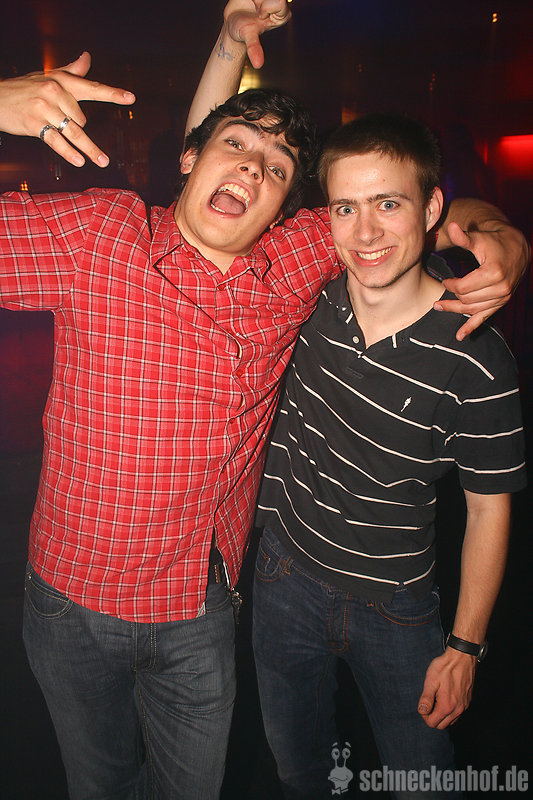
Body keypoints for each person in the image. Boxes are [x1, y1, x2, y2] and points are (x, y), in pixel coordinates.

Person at [0, 2, 529, 798]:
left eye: (276, 169)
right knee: (99, 785)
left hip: (202, 612)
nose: (252, 170)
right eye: (235, 147)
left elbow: (409, 205)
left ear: (286, 207)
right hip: (73, 603)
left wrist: (501, 233)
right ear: (189, 157)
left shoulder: (294, 259)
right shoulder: (100, 235)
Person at [252, 114, 526, 799]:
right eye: (346, 207)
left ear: (431, 211)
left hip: (396, 606)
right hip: (284, 577)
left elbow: (488, 512)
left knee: (422, 783)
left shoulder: (475, 354)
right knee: (298, 773)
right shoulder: (309, 297)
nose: (366, 232)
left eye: (388, 204)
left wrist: (464, 649)